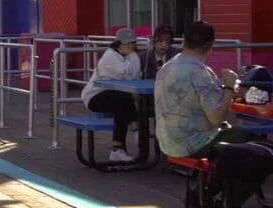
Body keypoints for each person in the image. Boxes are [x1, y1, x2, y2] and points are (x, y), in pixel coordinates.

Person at [156, 20, 252, 158]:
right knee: (257, 144)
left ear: (184, 40)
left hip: (167, 143)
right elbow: (216, 118)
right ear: (210, 45)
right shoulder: (199, 72)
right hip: (194, 144)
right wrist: (229, 87)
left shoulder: (167, 67)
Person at [82, 28, 142, 163]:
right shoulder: (110, 56)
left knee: (123, 104)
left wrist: (132, 59)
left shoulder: (133, 56)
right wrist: (133, 59)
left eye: (132, 43)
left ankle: (118, 149)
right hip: (94, 96)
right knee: (123, 99)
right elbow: (124, 75)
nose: (130, 46)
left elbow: (135, 76)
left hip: (118, 96)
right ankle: (136, 131)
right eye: (127, 43)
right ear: (118, 43)